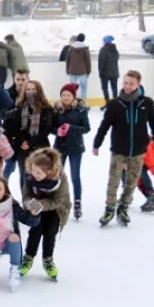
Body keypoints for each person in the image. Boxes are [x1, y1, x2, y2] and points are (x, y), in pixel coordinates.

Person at [94, 70, 154, 227]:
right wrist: (97, 143)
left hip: (139, 151)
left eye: (131, 83)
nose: (127, 86)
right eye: (125, 82)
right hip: (119, 150)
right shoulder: (115, 104)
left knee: (131, 182)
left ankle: (123, 208)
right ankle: (110, 208)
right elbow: (105, 125)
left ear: (138, 84)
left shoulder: (146, 103)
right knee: (114, 181)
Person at [20, 148, 70, 280]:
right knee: (35, 230)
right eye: (33, 170)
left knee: (50, 232)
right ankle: (28, 257)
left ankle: (48, 260)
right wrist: (31, 205)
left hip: (55, 209)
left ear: (48, 172)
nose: (34, 174)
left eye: (38, 172)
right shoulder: (29, 176)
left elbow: (58, 200)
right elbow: (26, 195)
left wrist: (41, 205)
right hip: (36, 206)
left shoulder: (61, 179)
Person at [4, 80, 54, 188]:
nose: (31, 92)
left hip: (40, 146)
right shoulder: (20, 107)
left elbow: (47, 129)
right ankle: (26, 201)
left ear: (38, 91)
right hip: (22, 147)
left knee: (40, 175)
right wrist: (23, 141)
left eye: (33, 89)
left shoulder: (46, 108)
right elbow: (15, 127)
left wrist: (31, 142)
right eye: (28, 89)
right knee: (24, 176)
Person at [53, 84, 90, 220]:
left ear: (73, 96)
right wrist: (57, 131)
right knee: (57, 176)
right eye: (63, 95)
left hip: (75, 147)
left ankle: (77, 202)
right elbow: (51, 126)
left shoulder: (80, 111)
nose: (66, 97)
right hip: (59, 148)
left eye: (68, 95)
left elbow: (86, 128)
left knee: (75, 176)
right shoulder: (56, 110)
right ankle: (57, 201)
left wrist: (71, 128)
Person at [137, 138, 154, 213]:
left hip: (127, 160)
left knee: (140, 175)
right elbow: (153, 166)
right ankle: (151, 199)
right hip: (130, 161)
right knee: (139, 176)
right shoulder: (148, 150)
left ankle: (151, 199)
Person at [65, 33, 92, 100]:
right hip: (83, 71)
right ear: (84, 40)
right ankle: (84, 102)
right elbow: (88, 61)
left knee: (72, 88)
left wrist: (67, 70)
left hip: (72, 71)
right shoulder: (85, 49)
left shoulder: (71, 48)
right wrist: (88, 71)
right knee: (84, 88)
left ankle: (72, 102)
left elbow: (67, 60)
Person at [98, 35, 120, 108]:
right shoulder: (115, 50)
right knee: (114, 88)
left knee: (105, 88)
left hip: (105, 73)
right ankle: (115, 102)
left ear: (105, 42)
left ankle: (108, 103)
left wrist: (100, 72)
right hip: (114, 73)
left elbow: (101, 62)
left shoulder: (103, 50)